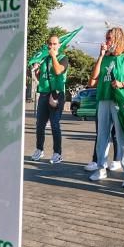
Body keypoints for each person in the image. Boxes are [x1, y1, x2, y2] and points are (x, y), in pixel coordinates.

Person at [85, 27, 124, 187]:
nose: (106, 41)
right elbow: (92, 81)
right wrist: (101, 55)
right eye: (106, 38)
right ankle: (101, 168)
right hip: (104, 99)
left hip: (120, 100)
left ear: (118, 39)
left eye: (109, 38)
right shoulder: (104, 58)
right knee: (102, 136)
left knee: (123, 137)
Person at [30, 36, 69, 164]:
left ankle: (57, 153)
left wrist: (53, 56)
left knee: (54, 124)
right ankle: (39, 149)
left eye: (54, 44)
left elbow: (58, 71)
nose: (52, 46)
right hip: (44, 94)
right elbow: (41, 77)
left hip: (56, 94)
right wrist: (35, 71)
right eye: (50, 44)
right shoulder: (44, 59)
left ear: (59, 45)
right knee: (40, 124)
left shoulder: (63, 58)